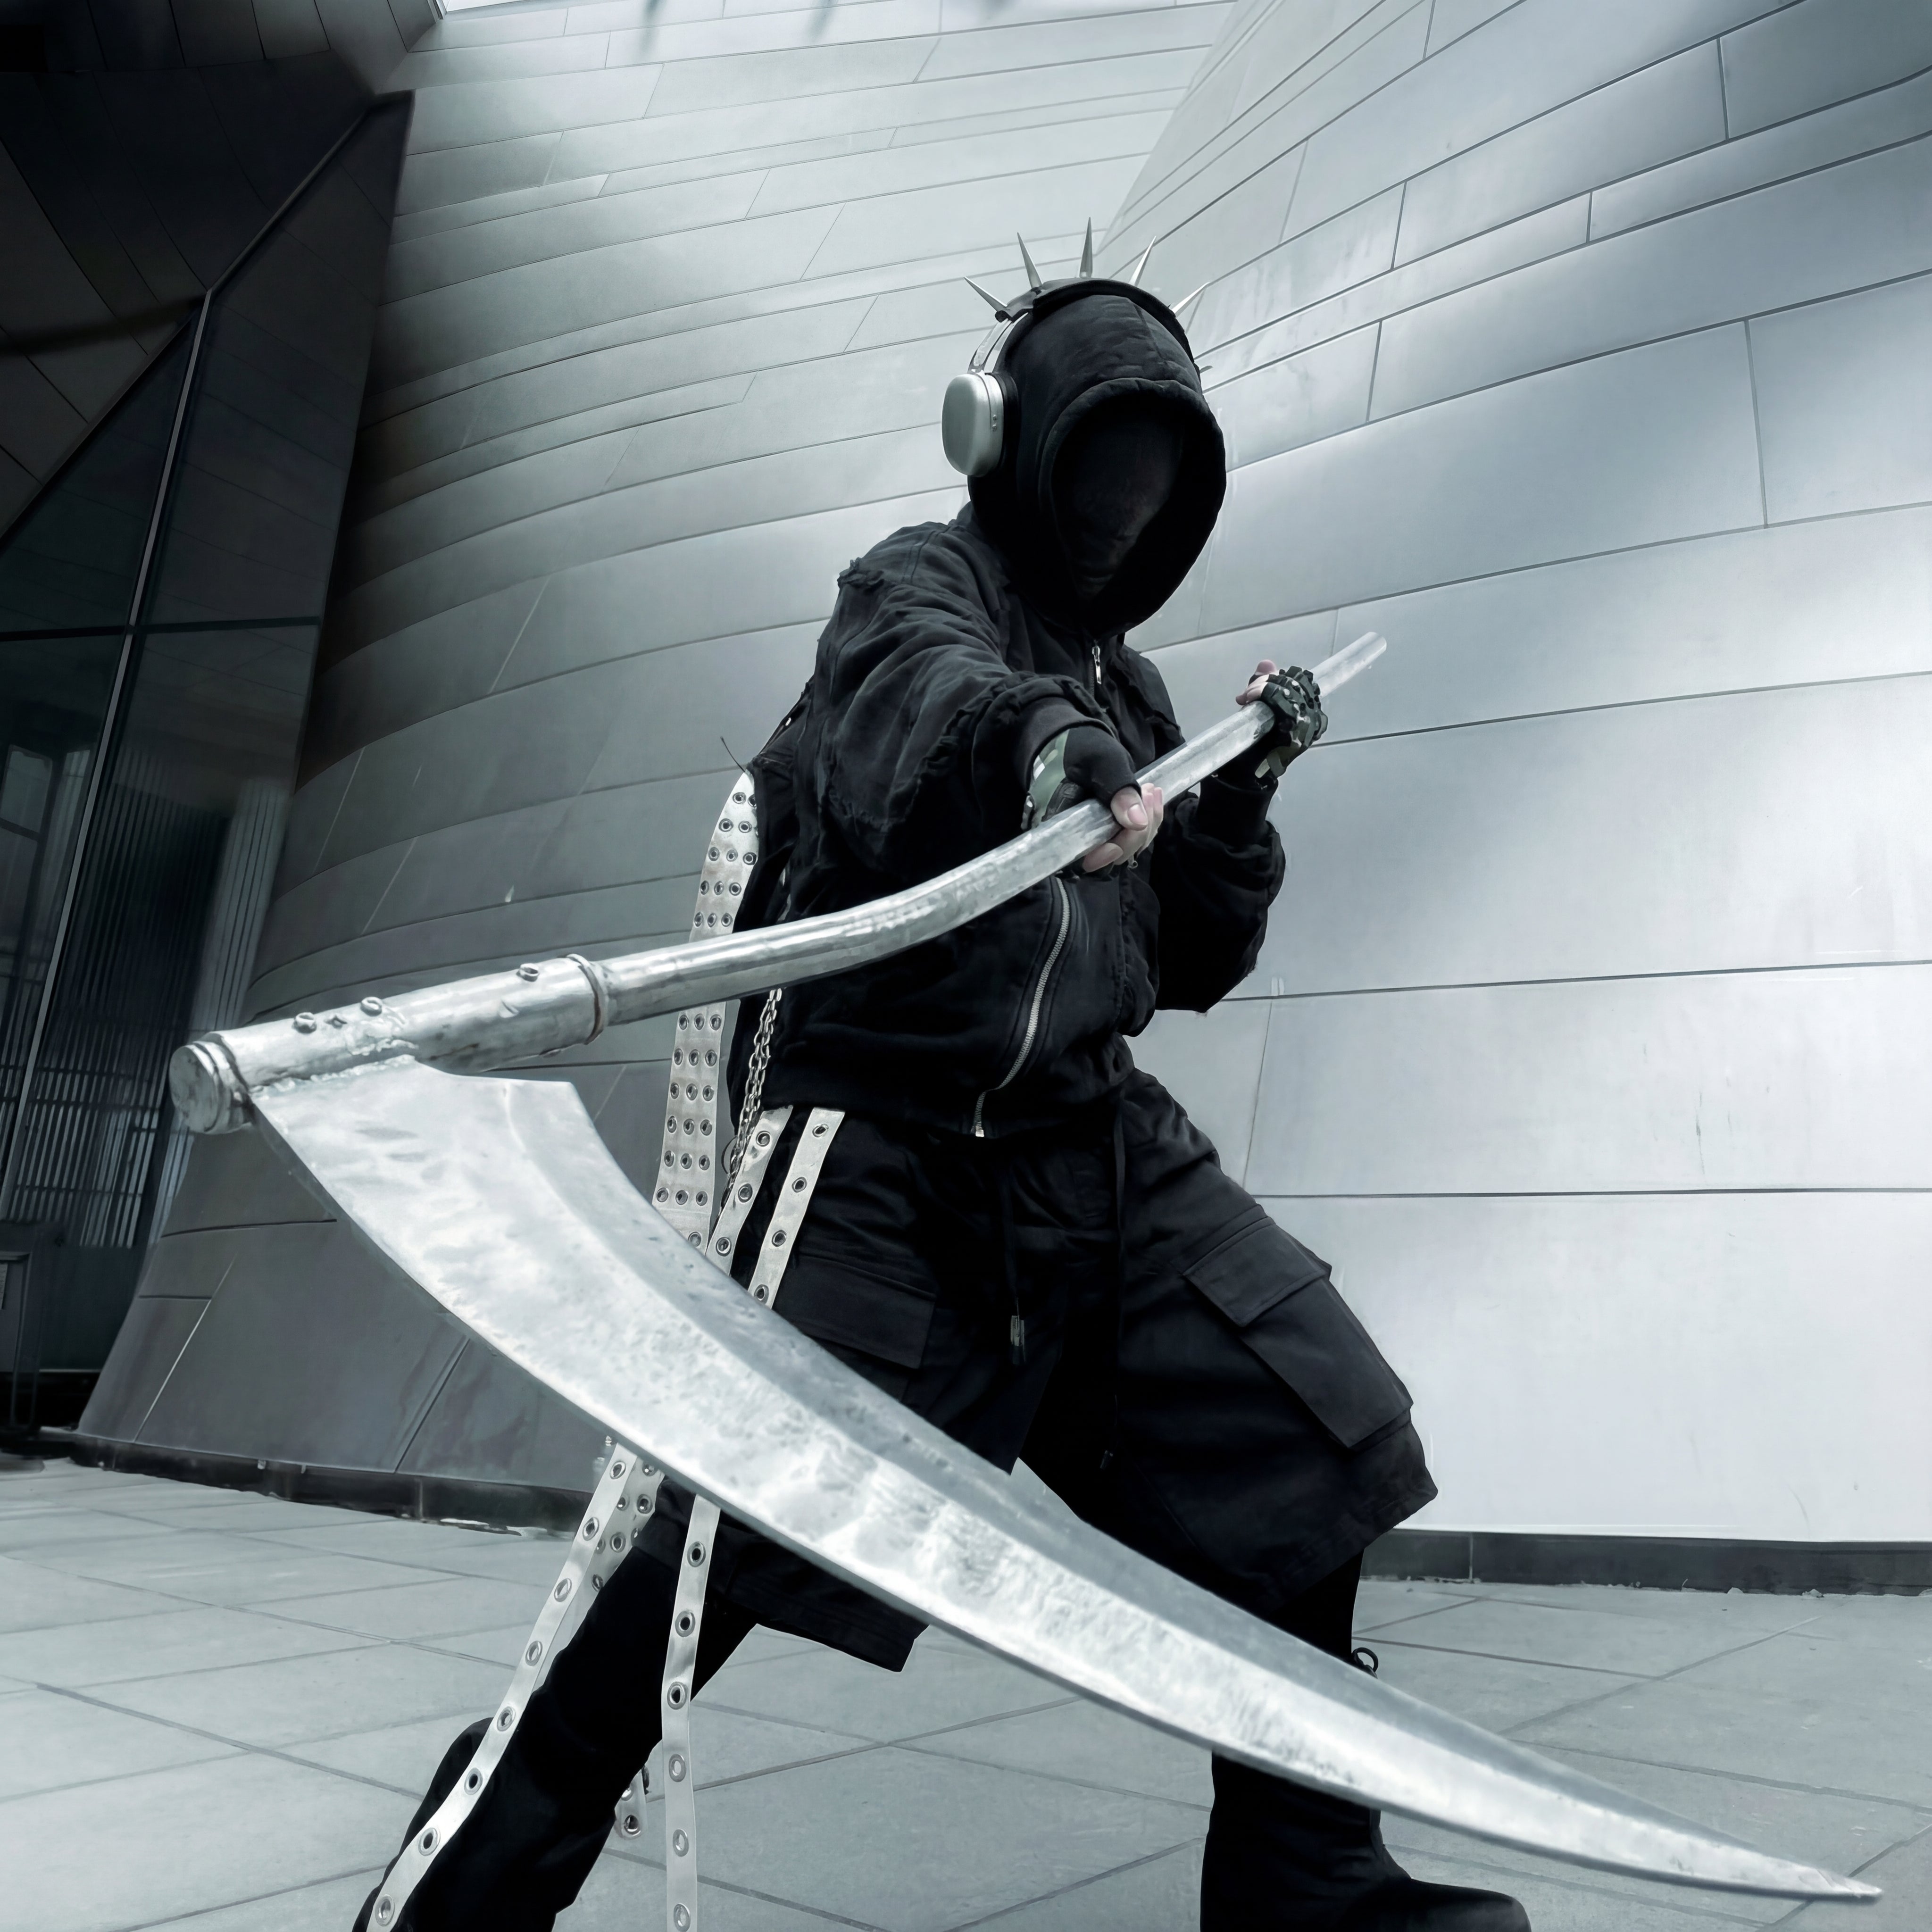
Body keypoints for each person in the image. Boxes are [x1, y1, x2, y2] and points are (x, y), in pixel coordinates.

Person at [355, 283, 1529, 1931]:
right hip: (883, 1152)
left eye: (1156, 491)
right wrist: (1039, 744)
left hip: (1090, 1152)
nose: (1122, 520)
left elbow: (1193, 956)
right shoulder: (911, 591)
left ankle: (1304, 1879)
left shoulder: (1139, 697)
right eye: (1099, 472)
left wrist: (1234, 805)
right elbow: (923, 702)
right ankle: (470, 1889)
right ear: (1006, 440)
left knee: (1308, 1428)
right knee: (711, 1558)